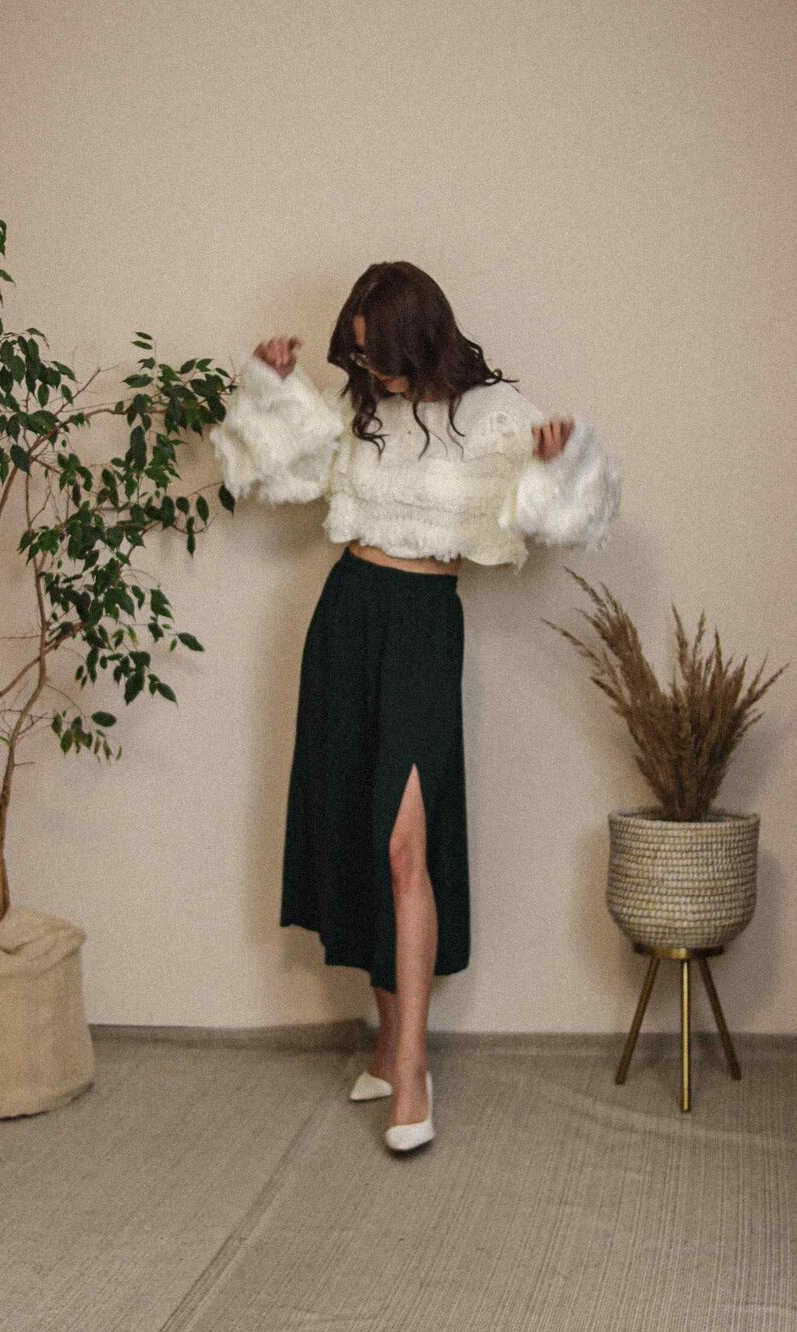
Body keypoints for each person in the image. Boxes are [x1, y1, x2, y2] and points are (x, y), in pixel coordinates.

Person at [209, 261, 620, 1153]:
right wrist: (274, 388)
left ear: (420, 336)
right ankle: (387, 1046)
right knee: (363, 831)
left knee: (405, 845)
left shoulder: (495, 413)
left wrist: (559, 462)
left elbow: (556, 515)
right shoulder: (363, 404)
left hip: (425, 623)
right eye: (359, 356)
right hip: (346, 614)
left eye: (381, 355)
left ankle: (413, 1064)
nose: (373, 372)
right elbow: (291, 470)